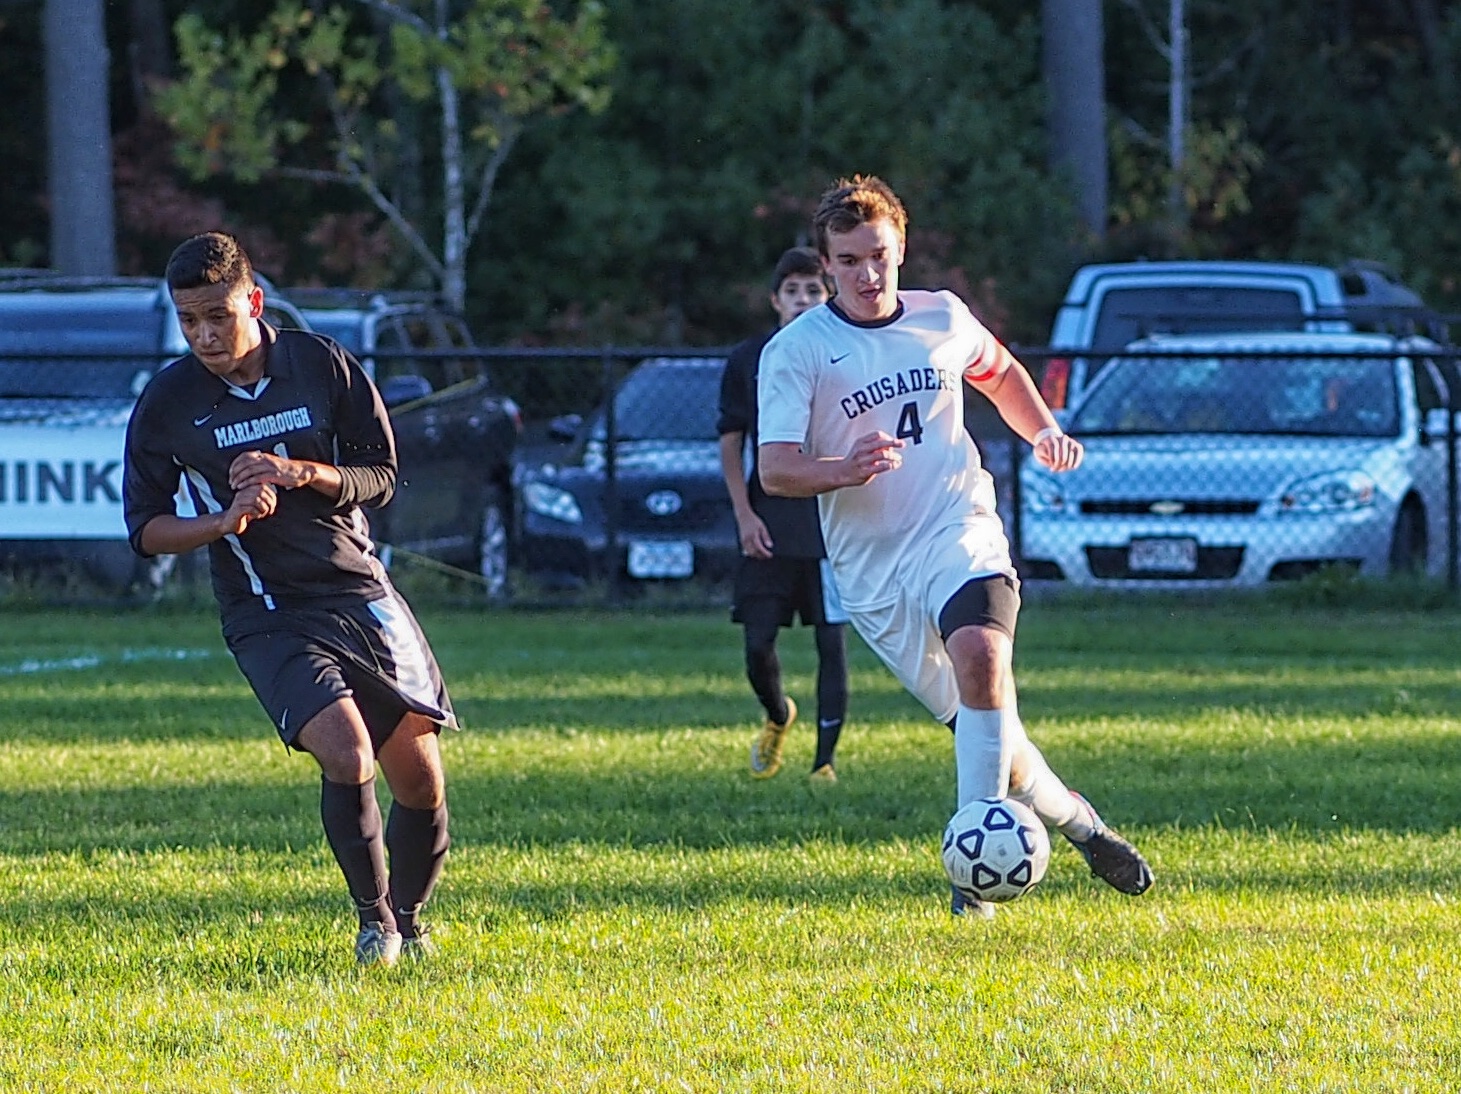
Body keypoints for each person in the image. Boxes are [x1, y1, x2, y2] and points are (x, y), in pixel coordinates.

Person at [756, 176, 1154, 917]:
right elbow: (775, 469)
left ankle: (972, 888)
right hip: (874, 572)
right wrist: (842, 469)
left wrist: (1042, 431)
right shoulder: (797, 351)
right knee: (993, 738)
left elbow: (998, 372)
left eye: (878, 255)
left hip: (957, 525)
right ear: (827, 265)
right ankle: (1080, 823)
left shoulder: (941, 315)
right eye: (849, 261)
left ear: (900, 249)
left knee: (982, 657)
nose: (867, 274)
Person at [123, 231, 454, 966]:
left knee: (421, 781)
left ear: (254, 301)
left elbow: (381, 476)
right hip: (267, 610)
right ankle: (374, 926)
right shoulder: (170, 400)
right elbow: (144, 529)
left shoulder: (321, 363)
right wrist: (221, 522)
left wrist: (304, 473)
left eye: (218, 315)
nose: (205, 335)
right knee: (347, 751)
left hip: (361, 592)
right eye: (188, 320)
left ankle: (410, 919)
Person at [717, 247, 849, 783]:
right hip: (770, 520)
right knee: (757, 644)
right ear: (775, 300)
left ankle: (824, 762)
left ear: (829, 296)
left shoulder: (847, 352)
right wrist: (745, 515)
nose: (802, 300)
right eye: (792, 291)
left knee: (831, 642)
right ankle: (777, 715)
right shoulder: (750, 359)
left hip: (829, 524)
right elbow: (731, 442)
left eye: (813, 291)